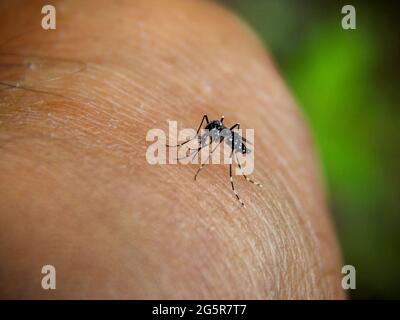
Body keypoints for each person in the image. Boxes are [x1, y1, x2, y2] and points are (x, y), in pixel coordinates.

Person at [0, 0, 344, 299]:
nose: (207, 135)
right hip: (229, 135)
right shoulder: (213, 127)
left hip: (235, 144)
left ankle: (234, 186)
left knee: (221, 150)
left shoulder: (225, 136)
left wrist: (208, 156)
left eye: (209, 133)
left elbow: (222, 139)